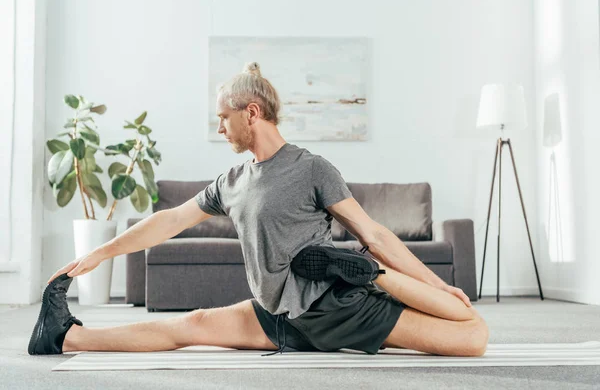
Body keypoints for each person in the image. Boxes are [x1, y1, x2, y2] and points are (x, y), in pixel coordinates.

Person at [29, 62, 488, 357]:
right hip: (279, 318)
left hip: (333, 306)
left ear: (251, 113)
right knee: (190, 326)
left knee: (472, 335)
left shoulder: (312, 168)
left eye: (223, 118)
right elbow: (168, 221)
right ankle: (65, 336)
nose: (219, 127)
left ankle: (364, 273)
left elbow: (376, 234)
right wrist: (102, 252)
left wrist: (439, 286)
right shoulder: (231, 182)